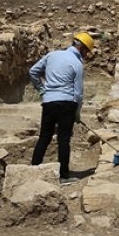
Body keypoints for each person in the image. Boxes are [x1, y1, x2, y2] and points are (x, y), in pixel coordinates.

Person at [29, 32, 94, 185]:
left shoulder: (52, 55)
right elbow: (78, 93)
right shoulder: (77, 64)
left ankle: (32, 171)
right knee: (63, 140)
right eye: (86, 52)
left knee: (44, 137)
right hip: (67, 104)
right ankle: (63, 176)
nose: (86, 55)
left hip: (49, 102)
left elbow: (33, 71)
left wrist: (42, 89)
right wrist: (77, 113)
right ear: (82, 48)